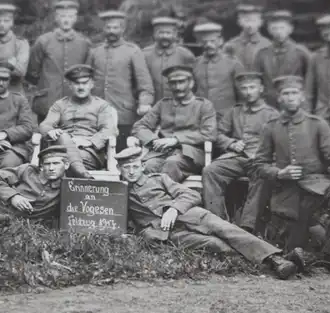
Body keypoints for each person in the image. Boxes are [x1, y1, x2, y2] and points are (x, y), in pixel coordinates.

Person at [115, 146, 300, 280]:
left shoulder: (158, 179)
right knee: (215, 244)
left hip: (189, 215)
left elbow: (189, 194)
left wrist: (173, 209)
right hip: (167, 233)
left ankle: (276, 260)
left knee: (227, 230)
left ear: (142, 167)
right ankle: (277, 262)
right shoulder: (118, 191)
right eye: (126, 167)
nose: (131, 171)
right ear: (119, 169)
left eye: (135, 166)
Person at [253, 75, 330, 252]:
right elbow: (259, 164)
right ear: (279, 98)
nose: (291, 97)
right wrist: (279, 173)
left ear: (302, 97)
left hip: (319, 186)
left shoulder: (317, 124)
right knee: (291, 243)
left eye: (295, 93)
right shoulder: (271, 126)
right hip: (287, 191)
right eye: (286, 93)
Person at [202, 72, 279, 233]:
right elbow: (218, 134)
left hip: (260, 161)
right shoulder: (234, 112)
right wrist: (231, 143)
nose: (248, 92)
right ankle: (217, 221)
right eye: (244, 88)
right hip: (236, 158)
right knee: (210, 171)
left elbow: (280, 141)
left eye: (252, 87)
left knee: (262, 175)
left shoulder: (272, 114)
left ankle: (247, 227)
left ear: (261, 89)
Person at [131, 64, 216, 183]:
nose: (177, 87)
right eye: (173, 83)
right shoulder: (163, 104)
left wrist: (176, 140)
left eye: (181, 82)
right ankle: (149, 200)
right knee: (148, 166)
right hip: (162, 153)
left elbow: (209, 134)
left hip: (191, 155)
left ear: (191, 83)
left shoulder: (203, 105)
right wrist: (153, 140)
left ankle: (164, 199)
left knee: (172, 164)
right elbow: (139, 126)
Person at [87, 10, 154, 151]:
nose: (111, 31)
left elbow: (145, 84)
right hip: (96, 112)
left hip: (123, 113)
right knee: (94, 150)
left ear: (123, 29)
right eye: (108, 27)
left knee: (121, 152)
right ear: (103, 29)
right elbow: (86, 79)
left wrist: (144, 102)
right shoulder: (95, 52)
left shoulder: (133, 51)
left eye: (115, 27)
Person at [39, 64, 118, 178]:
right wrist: (50, 130)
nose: (81, 87)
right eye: (77, 83)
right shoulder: (60, 105)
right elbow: (45, 124)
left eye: (85, 83)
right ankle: (82, 174)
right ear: (70, 85)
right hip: (61, 150)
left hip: (89, 152)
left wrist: (90, 142)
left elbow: (109, 129)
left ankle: (78, 173)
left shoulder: (101, 106)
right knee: (63, 136)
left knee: (64, 157)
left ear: (92, 84)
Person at [26, 0, 91, 122]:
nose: (66, 20)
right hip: (48, 101)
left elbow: (88, 73)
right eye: (62, 16)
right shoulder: (43, 41)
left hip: (75, 102)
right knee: (46, 136)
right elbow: (32, 73)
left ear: (75, 18)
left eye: (70, 16)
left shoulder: (84, 43)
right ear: (56, 18)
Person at [254, 10, 310, 108]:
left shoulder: (301, 52)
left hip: (294, 104)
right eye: (275, 28)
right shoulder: (262, 54)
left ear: (290, 29)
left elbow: (309, 82)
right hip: (269, 105)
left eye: (282, 28)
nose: (279, 32)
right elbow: (257, 81)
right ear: (269, 30)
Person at [193, 22, 244, 119]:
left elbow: (242, 94)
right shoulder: (196, 63)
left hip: (228, 117)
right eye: (205, 42)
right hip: (201, 117)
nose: (209, 45)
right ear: (200, 43)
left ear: (220, 41)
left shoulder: (233, 63)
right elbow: (192, 91)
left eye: (213, 41)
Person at [142, 16, 195, 104]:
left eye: (168, 33)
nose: (164, 36)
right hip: (152, 106)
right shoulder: (144, 54)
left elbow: (194, 82)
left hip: (180, 105)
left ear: (175, 34)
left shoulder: (185, 55)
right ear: (154, 34)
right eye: (161, 33)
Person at [305, 14, 330, 140]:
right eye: (326, 35)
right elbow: (309, 92)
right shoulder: (316, 57)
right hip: (322, 116)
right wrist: (307, 117)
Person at [224, 4, 271, 70]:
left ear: (260, 22)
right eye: (246, 20)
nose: (250, 25)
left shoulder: (267, 45)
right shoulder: (230, 45)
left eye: (254, 21)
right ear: (239, 22)